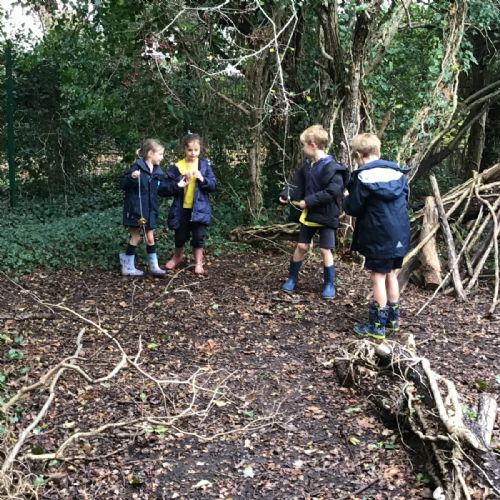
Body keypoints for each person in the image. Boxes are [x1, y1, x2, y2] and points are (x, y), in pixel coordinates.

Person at [343, 133, 410, 339]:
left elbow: (353, 208)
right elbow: (405, 199)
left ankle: (377, 326)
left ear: (358, 155)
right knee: (392, 274)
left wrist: (347, 198)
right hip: (400, 233)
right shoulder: (398, 174)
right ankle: (393, 320)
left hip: (378, 234)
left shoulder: (362, 177)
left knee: (377, 276)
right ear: (378, 151)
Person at [279, 125, 349, 299]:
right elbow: (296, 183)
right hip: (309, 215)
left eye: (304, 145)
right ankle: (291, 279)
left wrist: (308, 201)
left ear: (313, 145)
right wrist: (285, 194)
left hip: (326, 215)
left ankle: (329, 284)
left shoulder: (334, 168)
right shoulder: (308, 166)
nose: (303, 149)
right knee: (301, 246)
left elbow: (333, 191)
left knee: (325, 250)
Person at [163, 133, 217, 274]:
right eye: (190, 150)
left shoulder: (204, 165)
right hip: (181, 209)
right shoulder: (177, 167)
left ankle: (198, 263)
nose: (193, 153)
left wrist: (202, 178)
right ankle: (177, 257)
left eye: (196, 150)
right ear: (184, 149)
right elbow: (165, 188)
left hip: (200, 208)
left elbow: (213, 185)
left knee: (199, 237)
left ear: (200, 149)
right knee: (180, 237)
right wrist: (179, 182)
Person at [119, 139, 167, 277]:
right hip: (136, 210)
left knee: (150, 238)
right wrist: (131, 177)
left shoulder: (157, 172)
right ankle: (127, 266)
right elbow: (123, 183)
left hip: (149, 211)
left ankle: (154, 267)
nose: (162, 157)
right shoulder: (136, 167)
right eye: (160, 154)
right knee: (135, 237)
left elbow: (162, 189)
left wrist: (178, 186)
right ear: (150, 153)